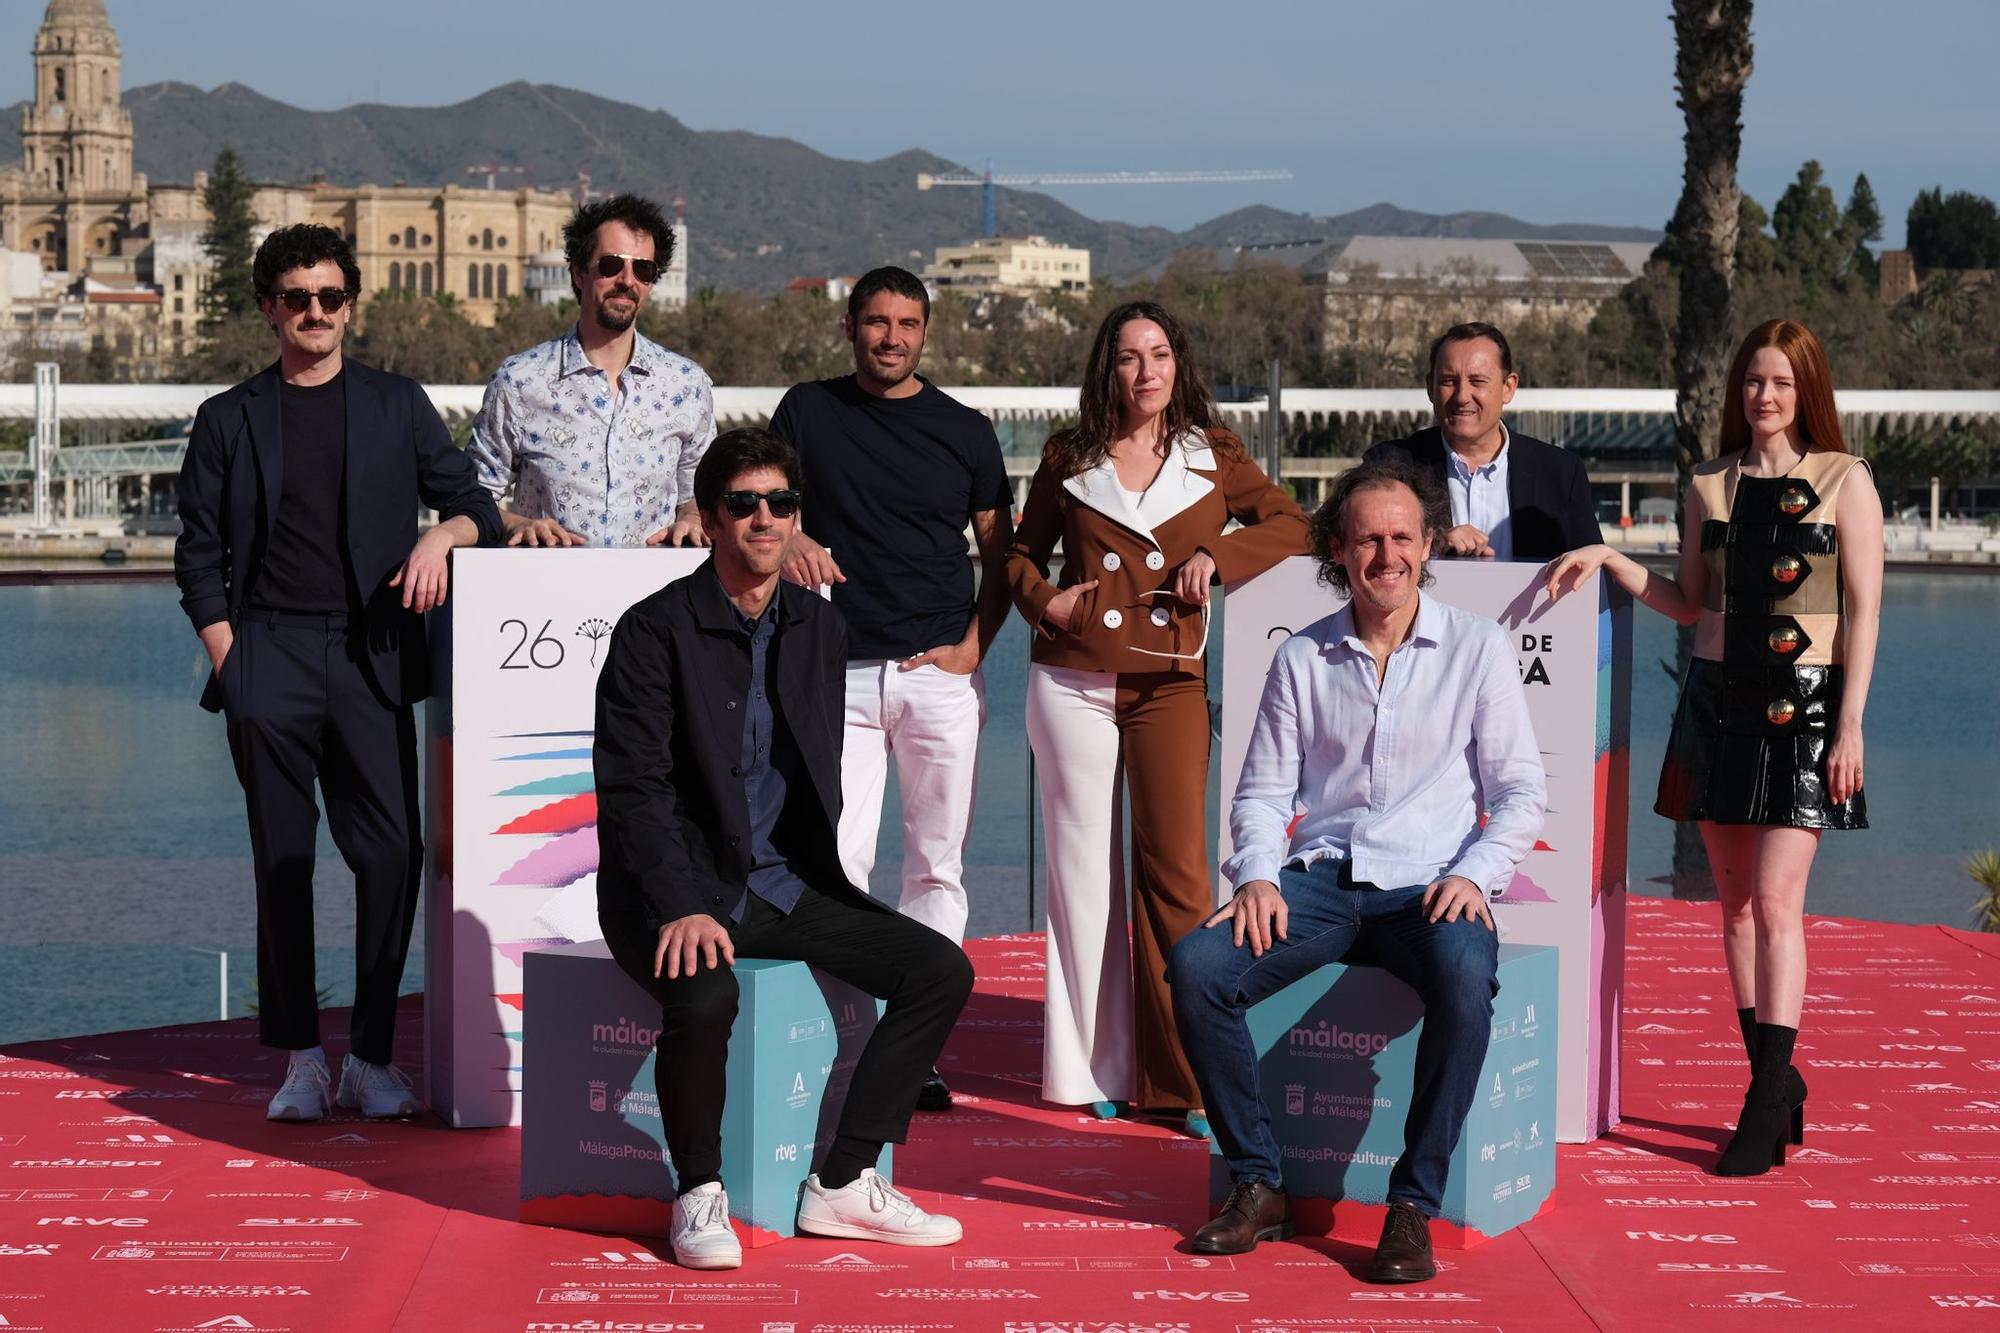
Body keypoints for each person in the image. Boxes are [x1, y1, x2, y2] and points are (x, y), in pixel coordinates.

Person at [592, 428, 974, 1271]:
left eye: (781, 503)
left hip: (782, 884)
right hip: (671, 892)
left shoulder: (818, 629)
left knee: (939, 970)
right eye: (743, 503)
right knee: (705, 999)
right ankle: (697, 1190)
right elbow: (634, 790)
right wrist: (682, 900)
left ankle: (842, 1182)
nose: (764, 518)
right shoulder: (653, 632)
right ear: (710, 517)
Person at [1169, 457, 1546, 1280]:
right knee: (1197, 966)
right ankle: (1259, 1181)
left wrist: (1475, 873)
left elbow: (1521, 792)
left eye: (1402, 537)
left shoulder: (1478, 648)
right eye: (1367, 539)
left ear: (1428, 545)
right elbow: (1263, 792)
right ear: (1336, 550)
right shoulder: (1302, 657)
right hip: (1320, 883)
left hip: (1430, 886)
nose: (1387, 555)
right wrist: (1259, 877)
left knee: (1464, 977)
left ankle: (1412, 1205)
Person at [173, 223, 503, 1122]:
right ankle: (300, 1061)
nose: (314, 313)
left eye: (329, 297)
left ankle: (368, 1056)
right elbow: (198, 557)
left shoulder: (398, 405)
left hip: (373, 654)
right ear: (269, 308)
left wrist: (441, 533)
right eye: (295, 298)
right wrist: (231, 660)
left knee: (392, 853)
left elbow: (478, 506)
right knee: (282, 861)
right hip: (265, 652)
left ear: (349, 304)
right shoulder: (228, 418)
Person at [1548, 319, 1881, 1177]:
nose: (1763, 397)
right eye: (1751, 383)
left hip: (1806, 706)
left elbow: (1866, 614)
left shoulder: (1847, 481)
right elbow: (1692, 603)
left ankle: (1766, 1098)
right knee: (1732, 904)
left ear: (1806, 390)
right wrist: (1614, 560)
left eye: (1778, 382)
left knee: (1776, 899)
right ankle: (1775, 1081)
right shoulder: (1708, 485)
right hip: (1714, 705)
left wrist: (1850, 723)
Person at [1005, 301, 1308, 1136]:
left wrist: (1218, 554)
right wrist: (1049, 601)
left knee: (1178, 875)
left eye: (1161, 354)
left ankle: (1182, 1076)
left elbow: (1290, 523)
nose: (1147, 371)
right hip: (1071, 677)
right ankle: (1084, 1069)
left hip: (1171, 680)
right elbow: (1019, 556)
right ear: (1108, 368)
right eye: (1130, 357)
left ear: (1180, 364)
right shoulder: (1071, 455)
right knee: (1081, 878)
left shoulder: (1216, 455)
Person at [770, 266, 1011, 1111]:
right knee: (835, 864)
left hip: (937, 678)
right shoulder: (806, 410)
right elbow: (763, 503)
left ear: (926, 330)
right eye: (876, 321)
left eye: (907, 323)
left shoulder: (966, 431)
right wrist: (793, 533)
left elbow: (1003, 551)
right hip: (832, 676)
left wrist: (977, 645)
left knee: (936, 869)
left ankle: (916, 1049)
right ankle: (845, 1039)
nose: (891, 337)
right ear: (850, 326)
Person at [467, 193, 715, 548]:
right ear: (579, 272)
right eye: (612, 265)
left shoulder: (687, 386)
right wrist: (517, 525)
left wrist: (690, 519)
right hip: (548, 595)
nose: (627, 281)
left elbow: (698, 497)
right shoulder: (519, 381)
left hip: (656, 598)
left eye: (643, 269)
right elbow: (473, 498)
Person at [1366, 322, 1599, 560]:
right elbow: (1349, 552)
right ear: (1430, 387)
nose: (1462, 396)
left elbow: (1593, 572)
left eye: (1477, 381)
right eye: (1448, 381)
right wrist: (1433, 545)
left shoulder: (1560, 473)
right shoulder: (1388, 466)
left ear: (1508, 387)